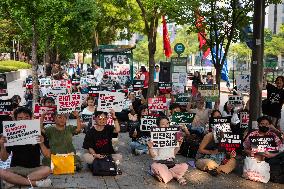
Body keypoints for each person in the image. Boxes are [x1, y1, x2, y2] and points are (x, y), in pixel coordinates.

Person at [0, 107, 51, 187]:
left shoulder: (39, 133)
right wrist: (2, 145)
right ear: (15, 120)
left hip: (34, 169)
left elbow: (47, 155)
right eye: (20, 118)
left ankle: (15, 181)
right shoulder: (10, 135)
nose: (23, 120)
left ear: (31, 118)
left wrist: (41, 143)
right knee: (1, 172)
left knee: (47, 169)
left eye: (26, 117)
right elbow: (3, 159)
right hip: (16, 169)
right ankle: (35, 183)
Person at [148, 116, 188, 185]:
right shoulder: (155, 137)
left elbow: (174, 154)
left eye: (167, 123)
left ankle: (166, 175)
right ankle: (177, 176)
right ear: (158, 126)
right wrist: (150, 148)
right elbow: (153, 156)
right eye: (163, 124)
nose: (166, 126)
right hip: (160, 163)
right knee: (155, 166)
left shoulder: (173, 136)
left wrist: (180, 143)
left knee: (185, 166)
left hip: (171, 163)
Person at [195, 110, 237, 176]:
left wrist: (231, 153)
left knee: (233, 161)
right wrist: (213, 152)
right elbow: (200, 150)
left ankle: (217, 169)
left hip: (220, 160)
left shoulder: (227, 137)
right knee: (209, 163)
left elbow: (228, 151)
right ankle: (217, 168)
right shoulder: (209, 135)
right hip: (205, 158)